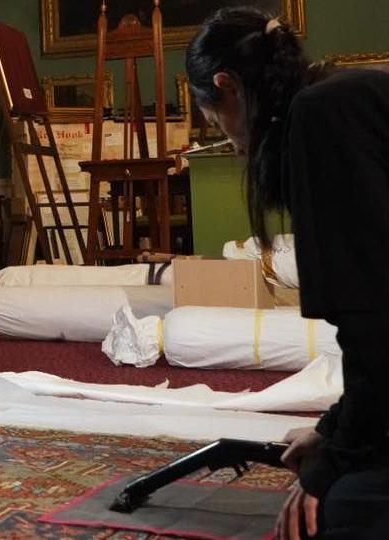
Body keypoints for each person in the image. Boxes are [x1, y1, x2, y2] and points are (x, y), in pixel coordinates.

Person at [186, 7, 389, 540]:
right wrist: (332, 430)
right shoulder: (336, 99)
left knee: (338, 515)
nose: (229, 143)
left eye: (215, 124)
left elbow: (377, 327)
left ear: (226, 87)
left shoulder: (322, 120)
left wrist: (326, 471)